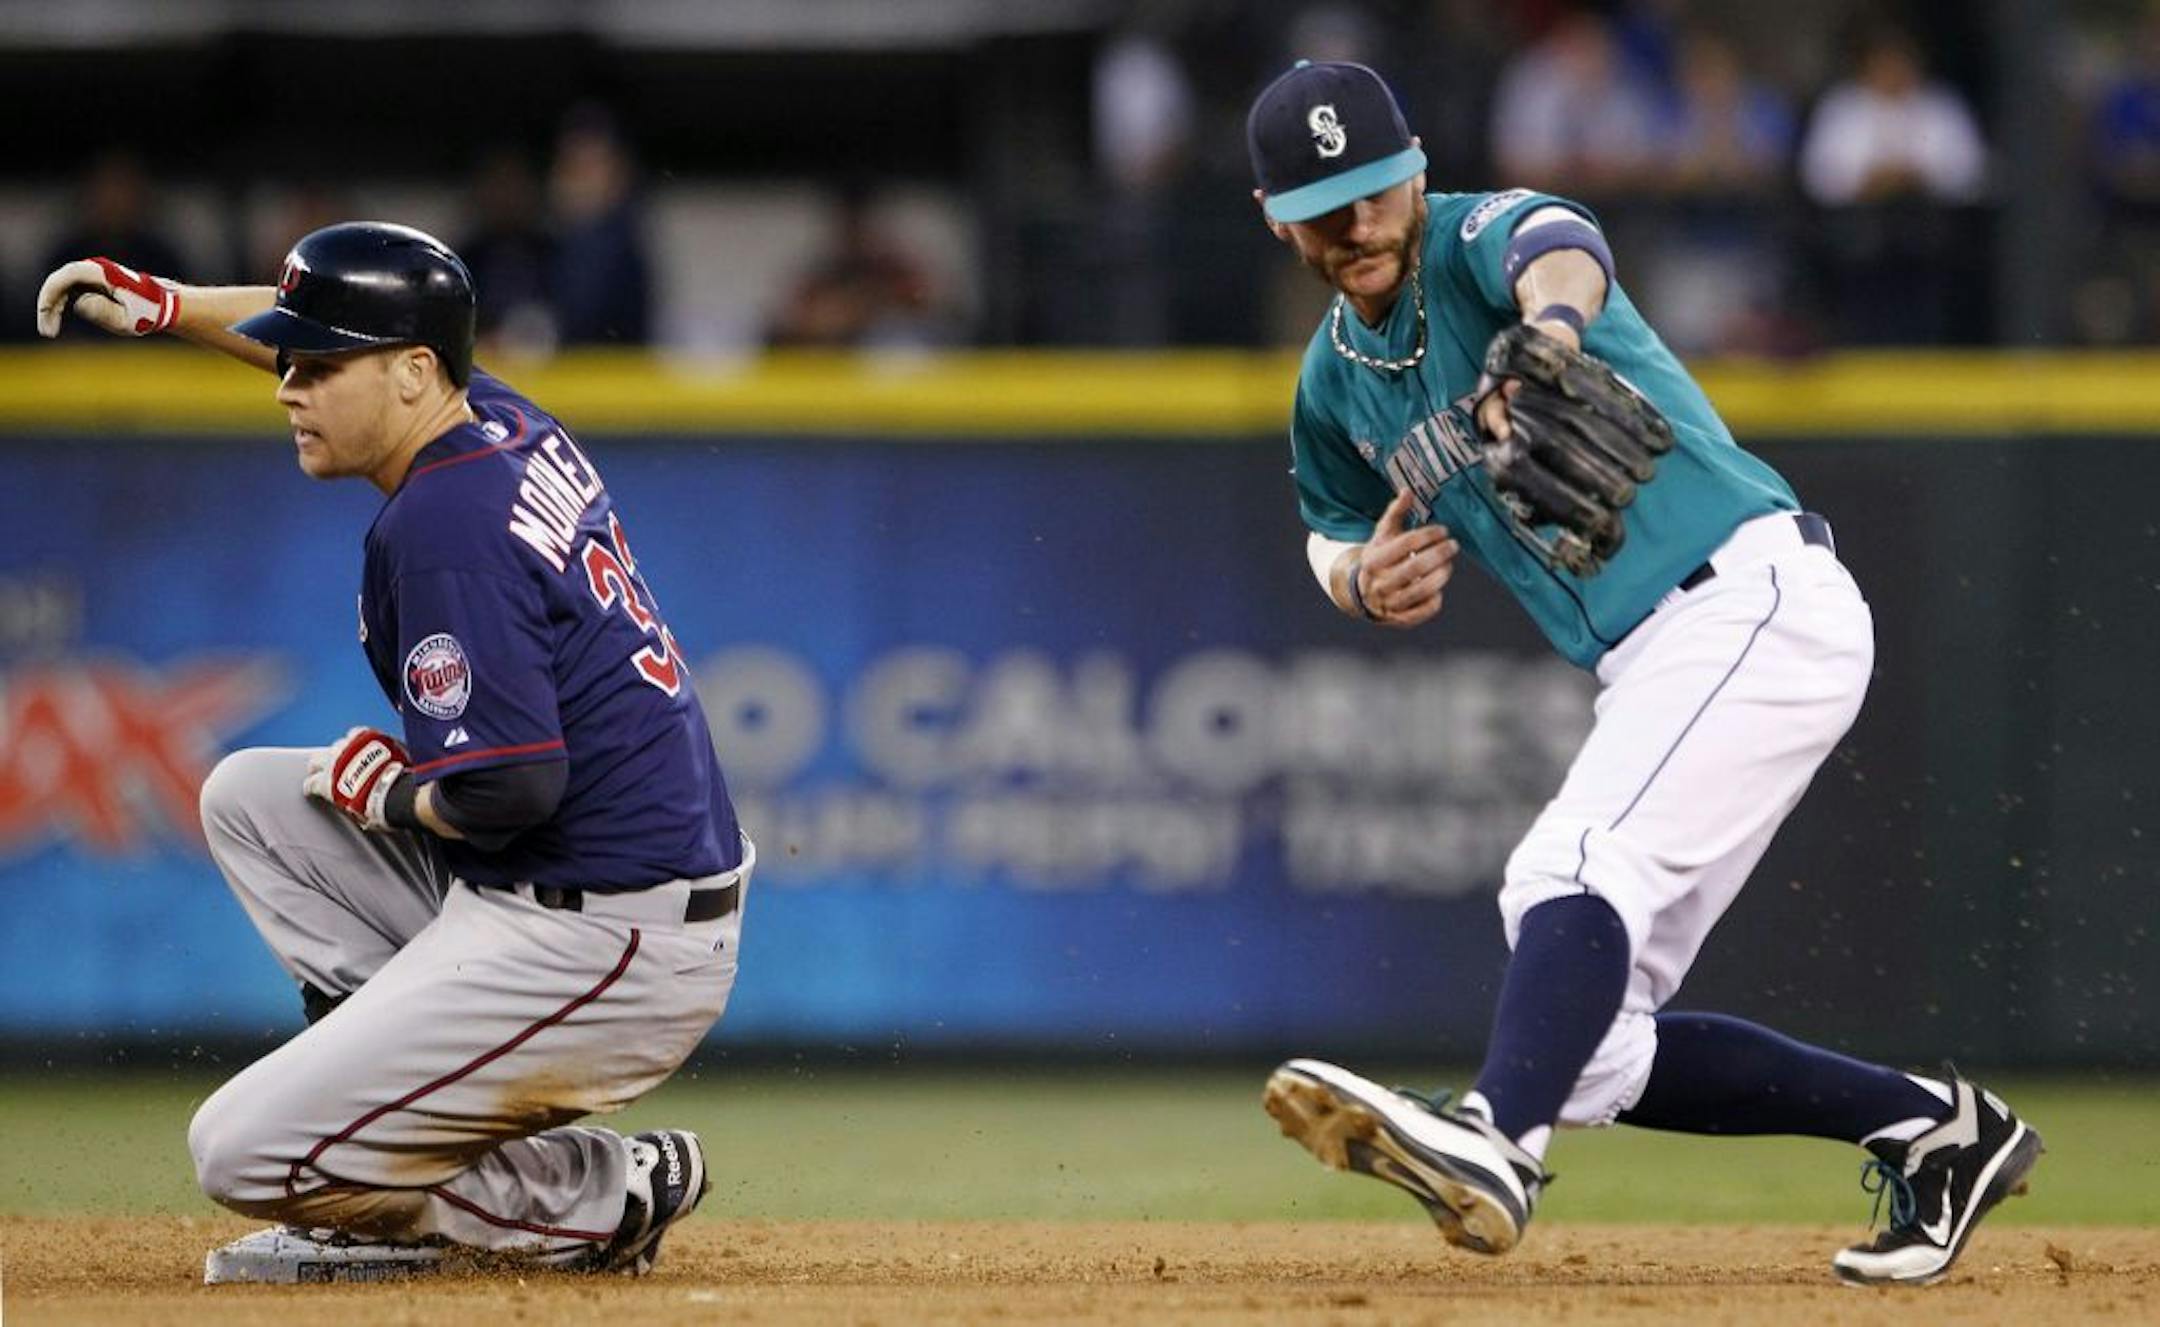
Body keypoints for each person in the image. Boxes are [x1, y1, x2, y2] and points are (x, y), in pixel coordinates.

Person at [1245, 59, 2039, 1287]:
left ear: (1414, 167)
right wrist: (1357, 579)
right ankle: (1934, 1129)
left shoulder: (1475, 240)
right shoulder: (1332, 381)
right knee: (1596, 1043)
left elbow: (1566, 244)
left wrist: (1549, 333)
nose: (1357, 223)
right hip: (1660, 655)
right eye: (1323, 203)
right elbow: (1329, 526)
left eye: (1375, 186)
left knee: (1567, 867)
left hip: (1752, 599)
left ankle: (1497, 1142)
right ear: (1274, 217)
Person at [33, 222, 751, 1283]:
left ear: (415, 372)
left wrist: (401, 799)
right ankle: (402, 1146)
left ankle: (593, 1196)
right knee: (251, 798)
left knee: (241, 1149)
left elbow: (508, 790)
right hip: (585, 895)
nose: (289, 385)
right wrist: (174, 305)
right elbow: (335, 335)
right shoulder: (495, 416)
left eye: (319, 368)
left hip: (607, 947)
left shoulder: (447, 522)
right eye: (289, 358)